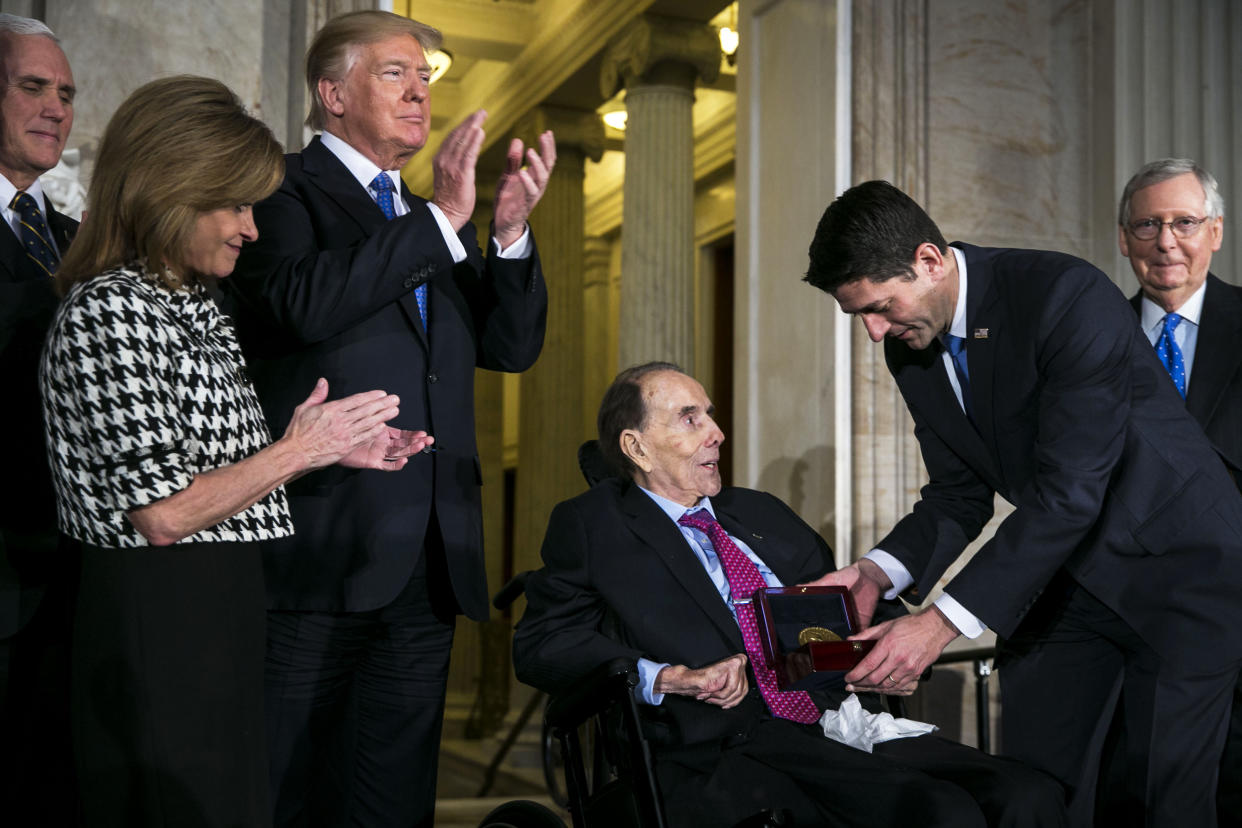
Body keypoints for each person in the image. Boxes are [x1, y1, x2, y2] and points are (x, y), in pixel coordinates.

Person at [39, 75, 427, 828]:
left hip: (220, 606)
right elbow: (162, 513)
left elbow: (209, 466)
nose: (251, 230)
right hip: (156, 616)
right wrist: (296, 451)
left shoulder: (186, 303)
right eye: (237, 205)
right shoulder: (112, 308)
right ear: (173, 189)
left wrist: (323, 448)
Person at [801, 179, 1242, 827]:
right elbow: (958, 494)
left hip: (1184, 571)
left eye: (880, 307)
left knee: (1158, 802)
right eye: (858, 315)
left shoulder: (1064, 294)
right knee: (1037, 788)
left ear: (928, 261)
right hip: (1070, 577)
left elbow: (1070, 492)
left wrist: (939, 622)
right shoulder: (912, 344)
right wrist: (873, 573)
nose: (874, 333)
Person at [222, 10, 552, 828]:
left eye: (427, 78)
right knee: (287, 791)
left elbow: (508, 347)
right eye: (396, 73)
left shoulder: (429, 218)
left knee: (393, 801)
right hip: (318, 545)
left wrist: (505, 235)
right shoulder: (278, 187)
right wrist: (440, 220)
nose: (420, 93)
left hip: (429, 550)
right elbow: (301, 305)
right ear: (333, 93)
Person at [514, 362, 1067, 828]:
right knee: (936, 811)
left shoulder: (758, 512)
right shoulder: (594, 526)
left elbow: (847, 606)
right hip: (719, 746)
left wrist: (887, 647)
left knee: (1027, 796)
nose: (716, 432)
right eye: (690, 418)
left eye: (709, 413)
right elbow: (542, 643)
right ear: (636, 446)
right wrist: (666, 677)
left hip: (832, 717)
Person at [1117, 157, 1241, 826]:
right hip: (1131, 626)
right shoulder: (1086, 337)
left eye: (1185, 222)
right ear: (1123, 238)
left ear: (1215, 231)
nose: (1166, 241)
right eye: (1147, 224)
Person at [0, 14, 79, 823]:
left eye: (65, 94)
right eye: (33, 87)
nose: (56, 107)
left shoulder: (76, 241)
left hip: (66, 580)